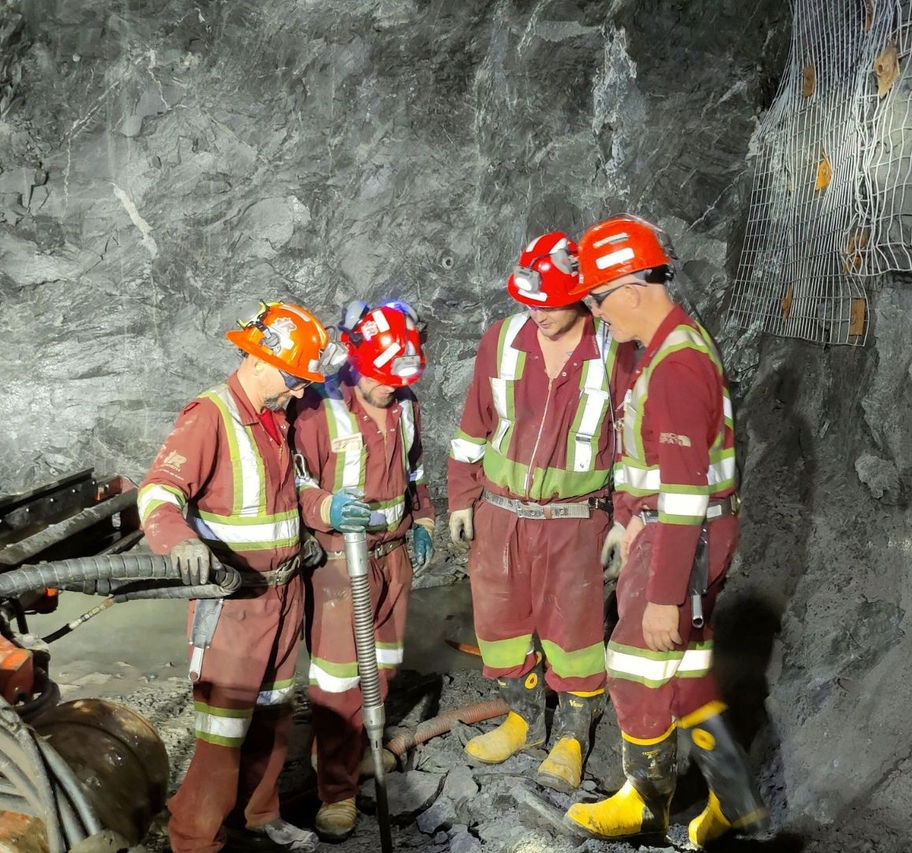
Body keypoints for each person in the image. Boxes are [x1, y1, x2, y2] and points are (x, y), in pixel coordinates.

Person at [562, 215, 768, 847]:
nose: (596, 314)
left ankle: (645, 803)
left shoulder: (675, 366)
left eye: (597, 299)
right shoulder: (662, 350)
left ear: (631, 287)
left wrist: (663, 595)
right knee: (684, 669)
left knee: (638, 663)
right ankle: (734, 804)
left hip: (683, 533)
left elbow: (682, 491)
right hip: (683, 528)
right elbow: (653, 464)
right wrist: (627, 518)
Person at [137, 301, 336, 853]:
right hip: (233, 605)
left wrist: (324, 510)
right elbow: (158, 491)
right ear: (260, 360)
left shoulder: (278, 419)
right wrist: (177, 539)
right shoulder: (210, 415)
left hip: (283, 595)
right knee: (222, 734)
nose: (301, 393)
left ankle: (257, 815)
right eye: (295, 379)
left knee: (273, 716)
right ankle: (195, 839)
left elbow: (293, 491)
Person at [447, 231, 635, 792]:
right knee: (501, 627)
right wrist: (460, 498)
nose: (539, 314)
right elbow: (472, 429)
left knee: (574, 632)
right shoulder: (502, 340)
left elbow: (633, 448)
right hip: (499, 516)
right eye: (530, 302)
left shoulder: (614, 349)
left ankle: (572, 736)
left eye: (551, 303)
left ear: (581, 294)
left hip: (576, 521)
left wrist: (625, 520)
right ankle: (522, 722)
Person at [288, 300, 435, 841]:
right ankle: (337, 790)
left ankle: (358, 751)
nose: (390, 387)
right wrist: (325, 509)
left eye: (399, 378)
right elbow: (294, 482)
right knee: (338, 681)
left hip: (391, 556)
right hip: (337, 564)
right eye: (381, 377)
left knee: (385, 667)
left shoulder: (406, 404)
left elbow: (415, 469)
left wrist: (423, 519)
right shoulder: (315, 408)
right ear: (356, 360)